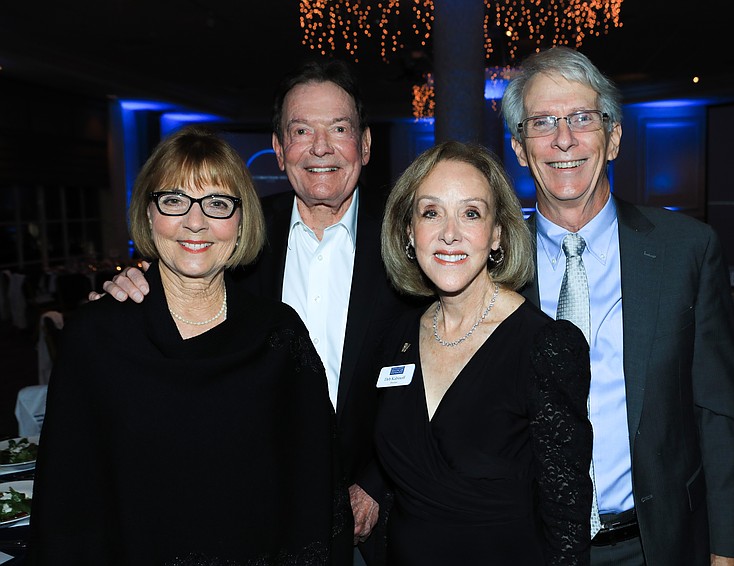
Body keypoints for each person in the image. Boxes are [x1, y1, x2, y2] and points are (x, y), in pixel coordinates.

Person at [96, 59, 412, 565]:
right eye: (302, 130)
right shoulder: (237, 233)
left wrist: (374, 483)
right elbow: (183, 281)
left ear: (366, 145)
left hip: (376, 513)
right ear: (280, 148)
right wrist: (132, 289)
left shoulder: (410, 245)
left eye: (339, 129)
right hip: (253, 507)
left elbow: (427, 380)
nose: (321, 147)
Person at [28, 126, 350, 565]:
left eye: (217, 203)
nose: (195, 222)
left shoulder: (278, 337)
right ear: (148, 214)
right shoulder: (97, 337)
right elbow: (66, 497)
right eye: (174, 200)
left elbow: (313, 487)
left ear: (241, 221)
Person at [501, 47, 734, 565]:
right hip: (528, 545)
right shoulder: (493, 262)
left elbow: (720, 411)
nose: (564, 139)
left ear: (614, 137)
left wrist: (729, 550)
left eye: (581, 118)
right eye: (543, 123)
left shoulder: (686, 250)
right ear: (521, 149)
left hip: (655, 543)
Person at [373, 140, 592, 565]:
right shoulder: (396, 334)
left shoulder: (544, 345)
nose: (449, 232)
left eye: (471, 213)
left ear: (497, 235)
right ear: (408, 231)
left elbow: (567, 521)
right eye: (431, 212)